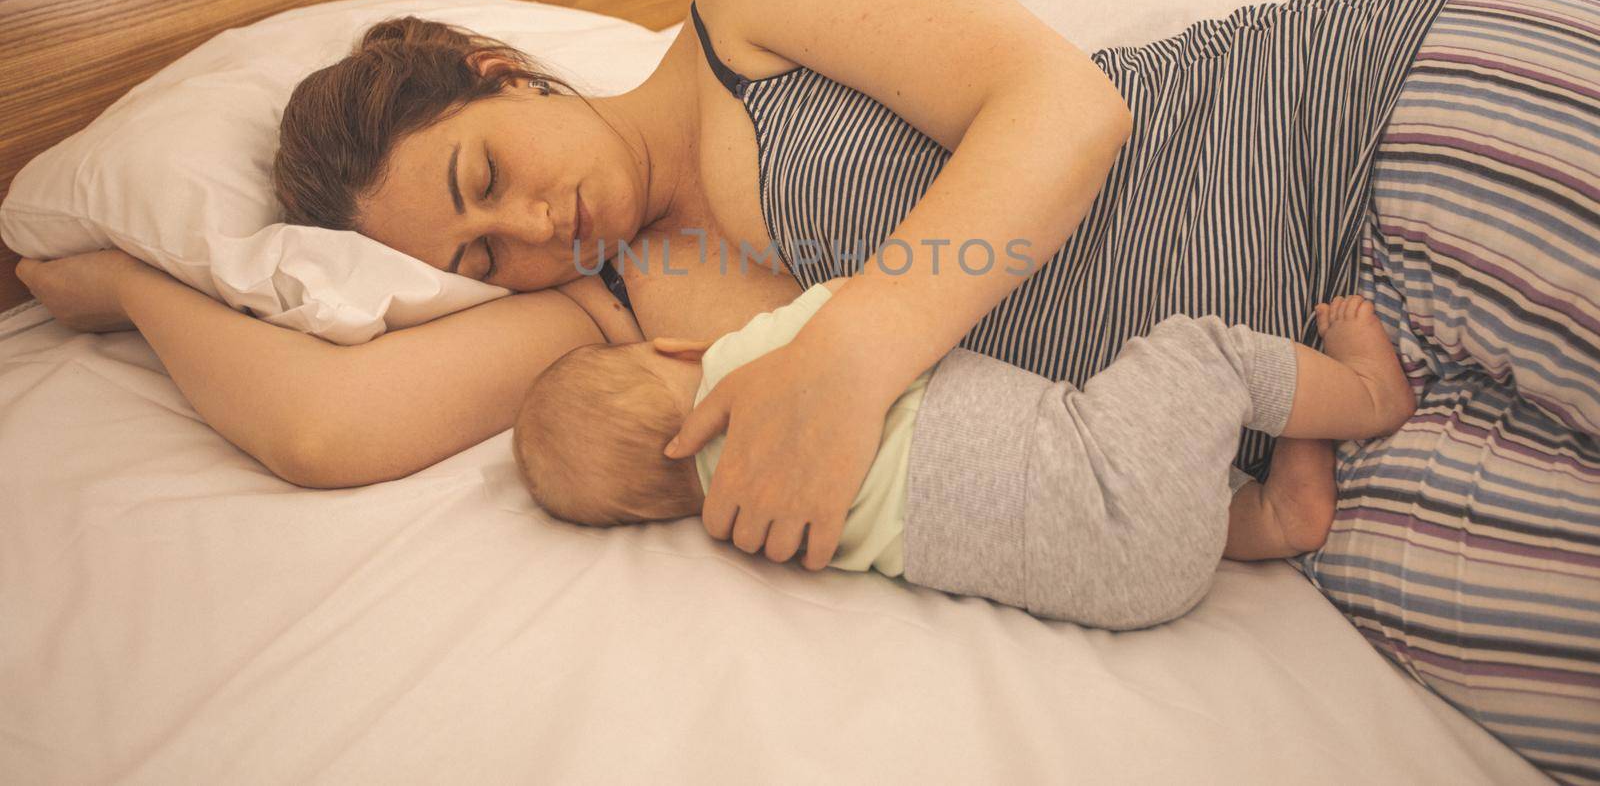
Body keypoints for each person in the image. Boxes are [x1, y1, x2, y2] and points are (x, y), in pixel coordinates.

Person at [16, 0, 1600, 779]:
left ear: (508, 71)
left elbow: (1070, 108)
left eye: (489, 174)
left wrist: (849, 355)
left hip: (1364, 133)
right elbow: (324, 430)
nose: (530, 233)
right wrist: (134, 289)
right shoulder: (619, 312)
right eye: (477, 256)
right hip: (1291, 407)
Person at [514, 282, 1412, 630]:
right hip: (1109, 484)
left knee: (1175, 497)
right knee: (1198, 349)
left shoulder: (747, 524)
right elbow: (865, 305)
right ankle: (1368, 392)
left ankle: (1277, 515)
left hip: (1125, 590)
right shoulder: (750, 363)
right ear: (670, 352)